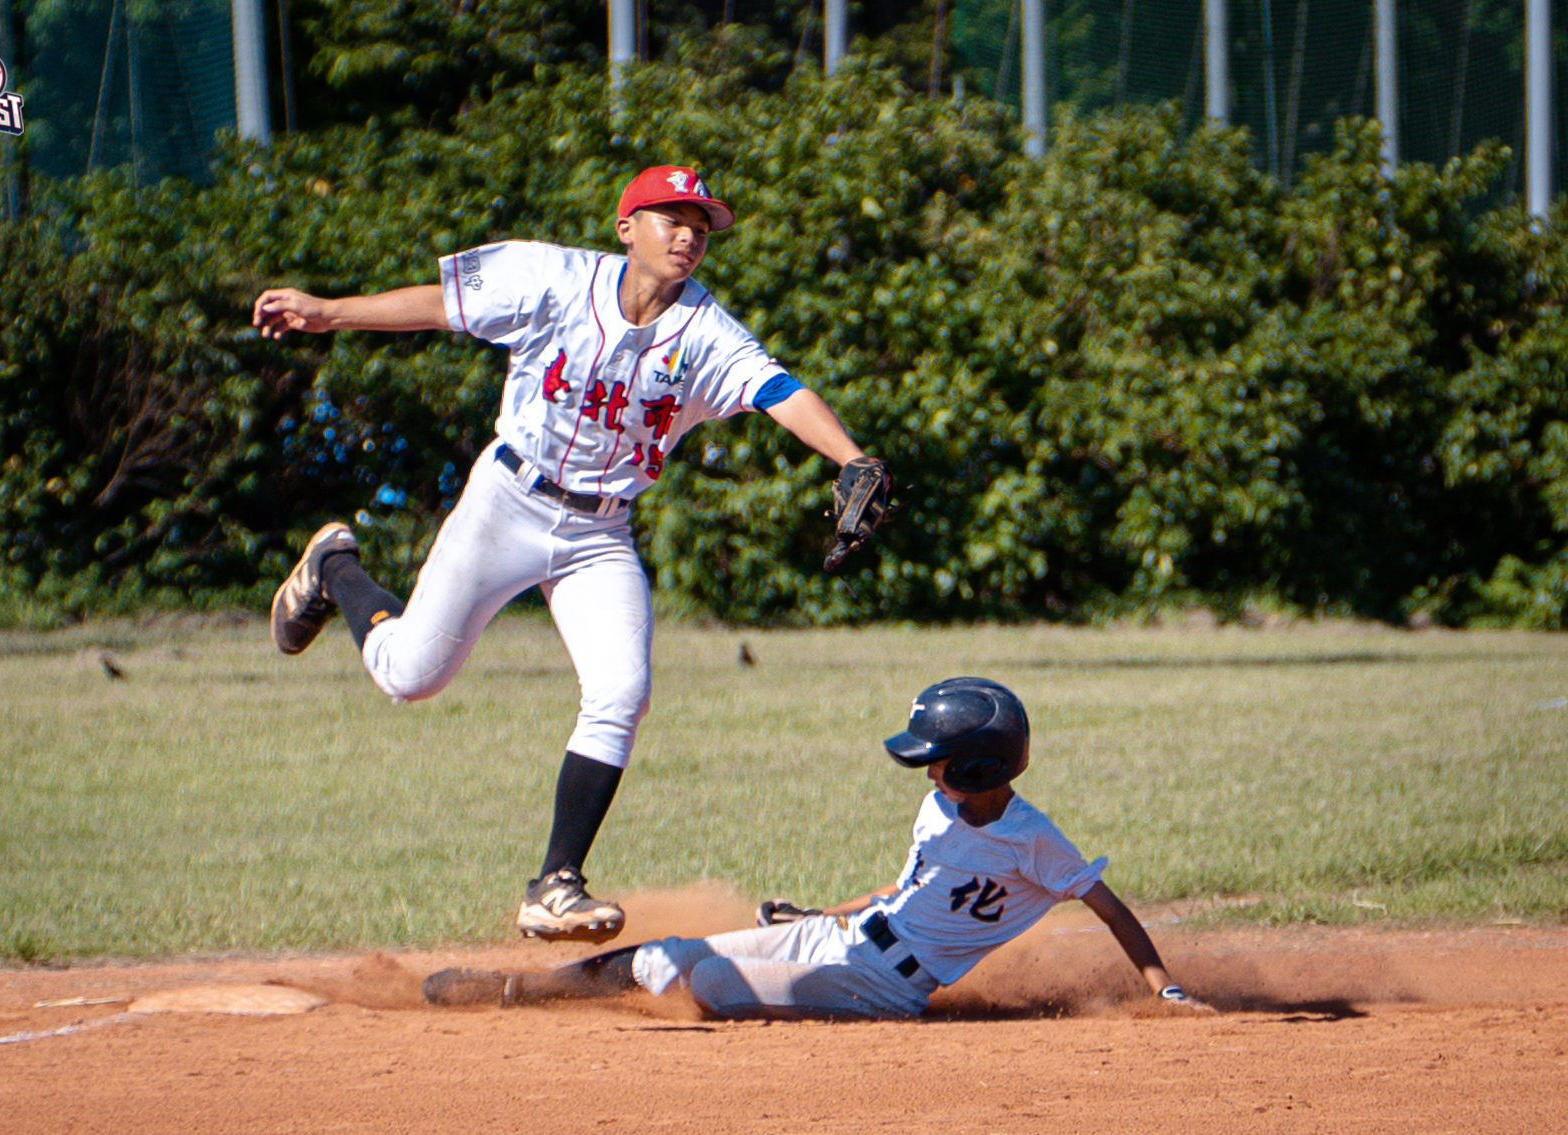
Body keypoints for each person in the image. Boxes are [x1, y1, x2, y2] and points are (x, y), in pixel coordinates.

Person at [250, 166, 886, 944]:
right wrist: (329, 313)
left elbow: (779, 388)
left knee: (622, 690)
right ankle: (335, 567)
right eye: (670, 218)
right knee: (409, 675)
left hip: (600, 533)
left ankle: (556, 883)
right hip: (508, 501)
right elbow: (441, 306)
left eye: (701, 224)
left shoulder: (708, 331)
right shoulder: (549, 278)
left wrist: (853, 458)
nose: (688, 234)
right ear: (627, 226)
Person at [421, 677, 1214, 1019]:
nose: (925, 765)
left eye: (936, 754)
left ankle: (542, 993)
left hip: (886, 987)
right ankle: (516, 991)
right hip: (840, 938)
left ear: (978, 764)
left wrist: (1165, 989)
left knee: (707, 982)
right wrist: (816, 914)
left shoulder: (1032, 840)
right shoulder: (938, 810)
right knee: (665, 954)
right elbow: (901, 893)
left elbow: (1111, 909)